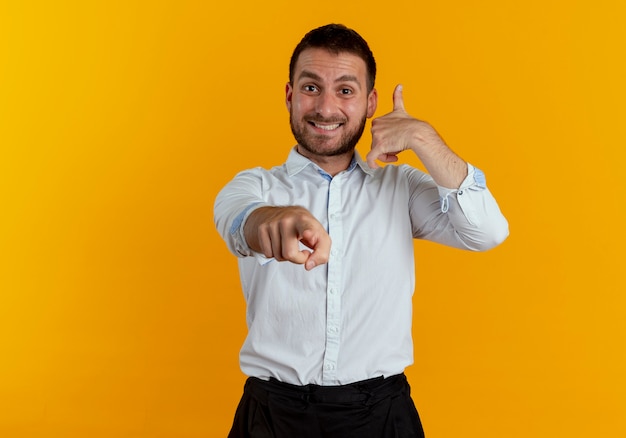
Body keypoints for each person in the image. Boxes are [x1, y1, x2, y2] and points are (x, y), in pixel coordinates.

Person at [214, 23, 508, 438]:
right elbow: (241, 222)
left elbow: (488, 231)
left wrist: (423, 138)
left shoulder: (402, 188)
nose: (327, 108)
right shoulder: (254, 186)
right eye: (311, 87)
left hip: (383, 417)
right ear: (289, 96)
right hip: (272, 418)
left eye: (346, 90)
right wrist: (274, 222)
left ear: (371, 103)